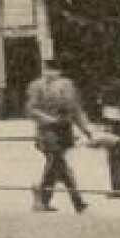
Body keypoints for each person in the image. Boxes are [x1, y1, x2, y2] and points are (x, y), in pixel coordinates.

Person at [25, 57, 94, 212]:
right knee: (58, 163)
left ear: (60, 71)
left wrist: (86, 129)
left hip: (64, 131)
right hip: (46, 132)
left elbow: (75, 109)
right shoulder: (36, 86)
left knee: (56, 167)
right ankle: (77, 202)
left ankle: (43, 201)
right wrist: (48, 119)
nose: (51, 73)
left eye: (54, 70)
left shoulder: (68, 85)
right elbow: (31, 109)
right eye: (48, 69)